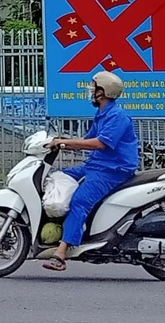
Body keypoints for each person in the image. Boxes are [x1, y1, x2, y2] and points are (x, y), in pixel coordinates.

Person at [42, 71, 138, 272]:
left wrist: (66, 143)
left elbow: (100, 143)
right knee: (60, 176)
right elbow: (86, 140)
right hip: (95, 165)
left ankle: (61, 253)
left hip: (112, 170)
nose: (91, 91)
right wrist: (60, 141)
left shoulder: (118, 117)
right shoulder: (102, 114)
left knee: (79, 201)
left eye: (94, 88)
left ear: (102, 92)